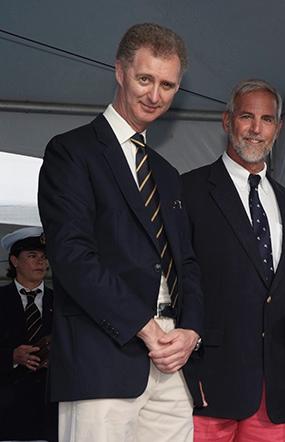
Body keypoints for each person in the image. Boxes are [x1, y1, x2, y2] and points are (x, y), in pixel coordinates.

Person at [38, 23, 203, 441]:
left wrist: (191, 332)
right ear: (119, 71)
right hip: (102, 361)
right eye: (145, 79)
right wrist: (145, 327)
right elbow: (72, 257)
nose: (154, 95)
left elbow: (186, 263)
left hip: (174, 365)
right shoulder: (71, 152)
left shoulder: (166, 174)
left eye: (167, 85)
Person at [181, 79, 285, 442]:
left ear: (278, 127)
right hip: (204, 384)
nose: (256, 128)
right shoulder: (188, 192)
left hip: (271, 392)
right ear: (227, 121)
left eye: (267, 119)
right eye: (247, 116)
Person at [0, 227, 57, 442]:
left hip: (51, 409)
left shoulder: (62, 302)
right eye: (32, 256)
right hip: (9, 411)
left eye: (43, 257)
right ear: (14, 261)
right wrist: (12, 356)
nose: (41, 262)